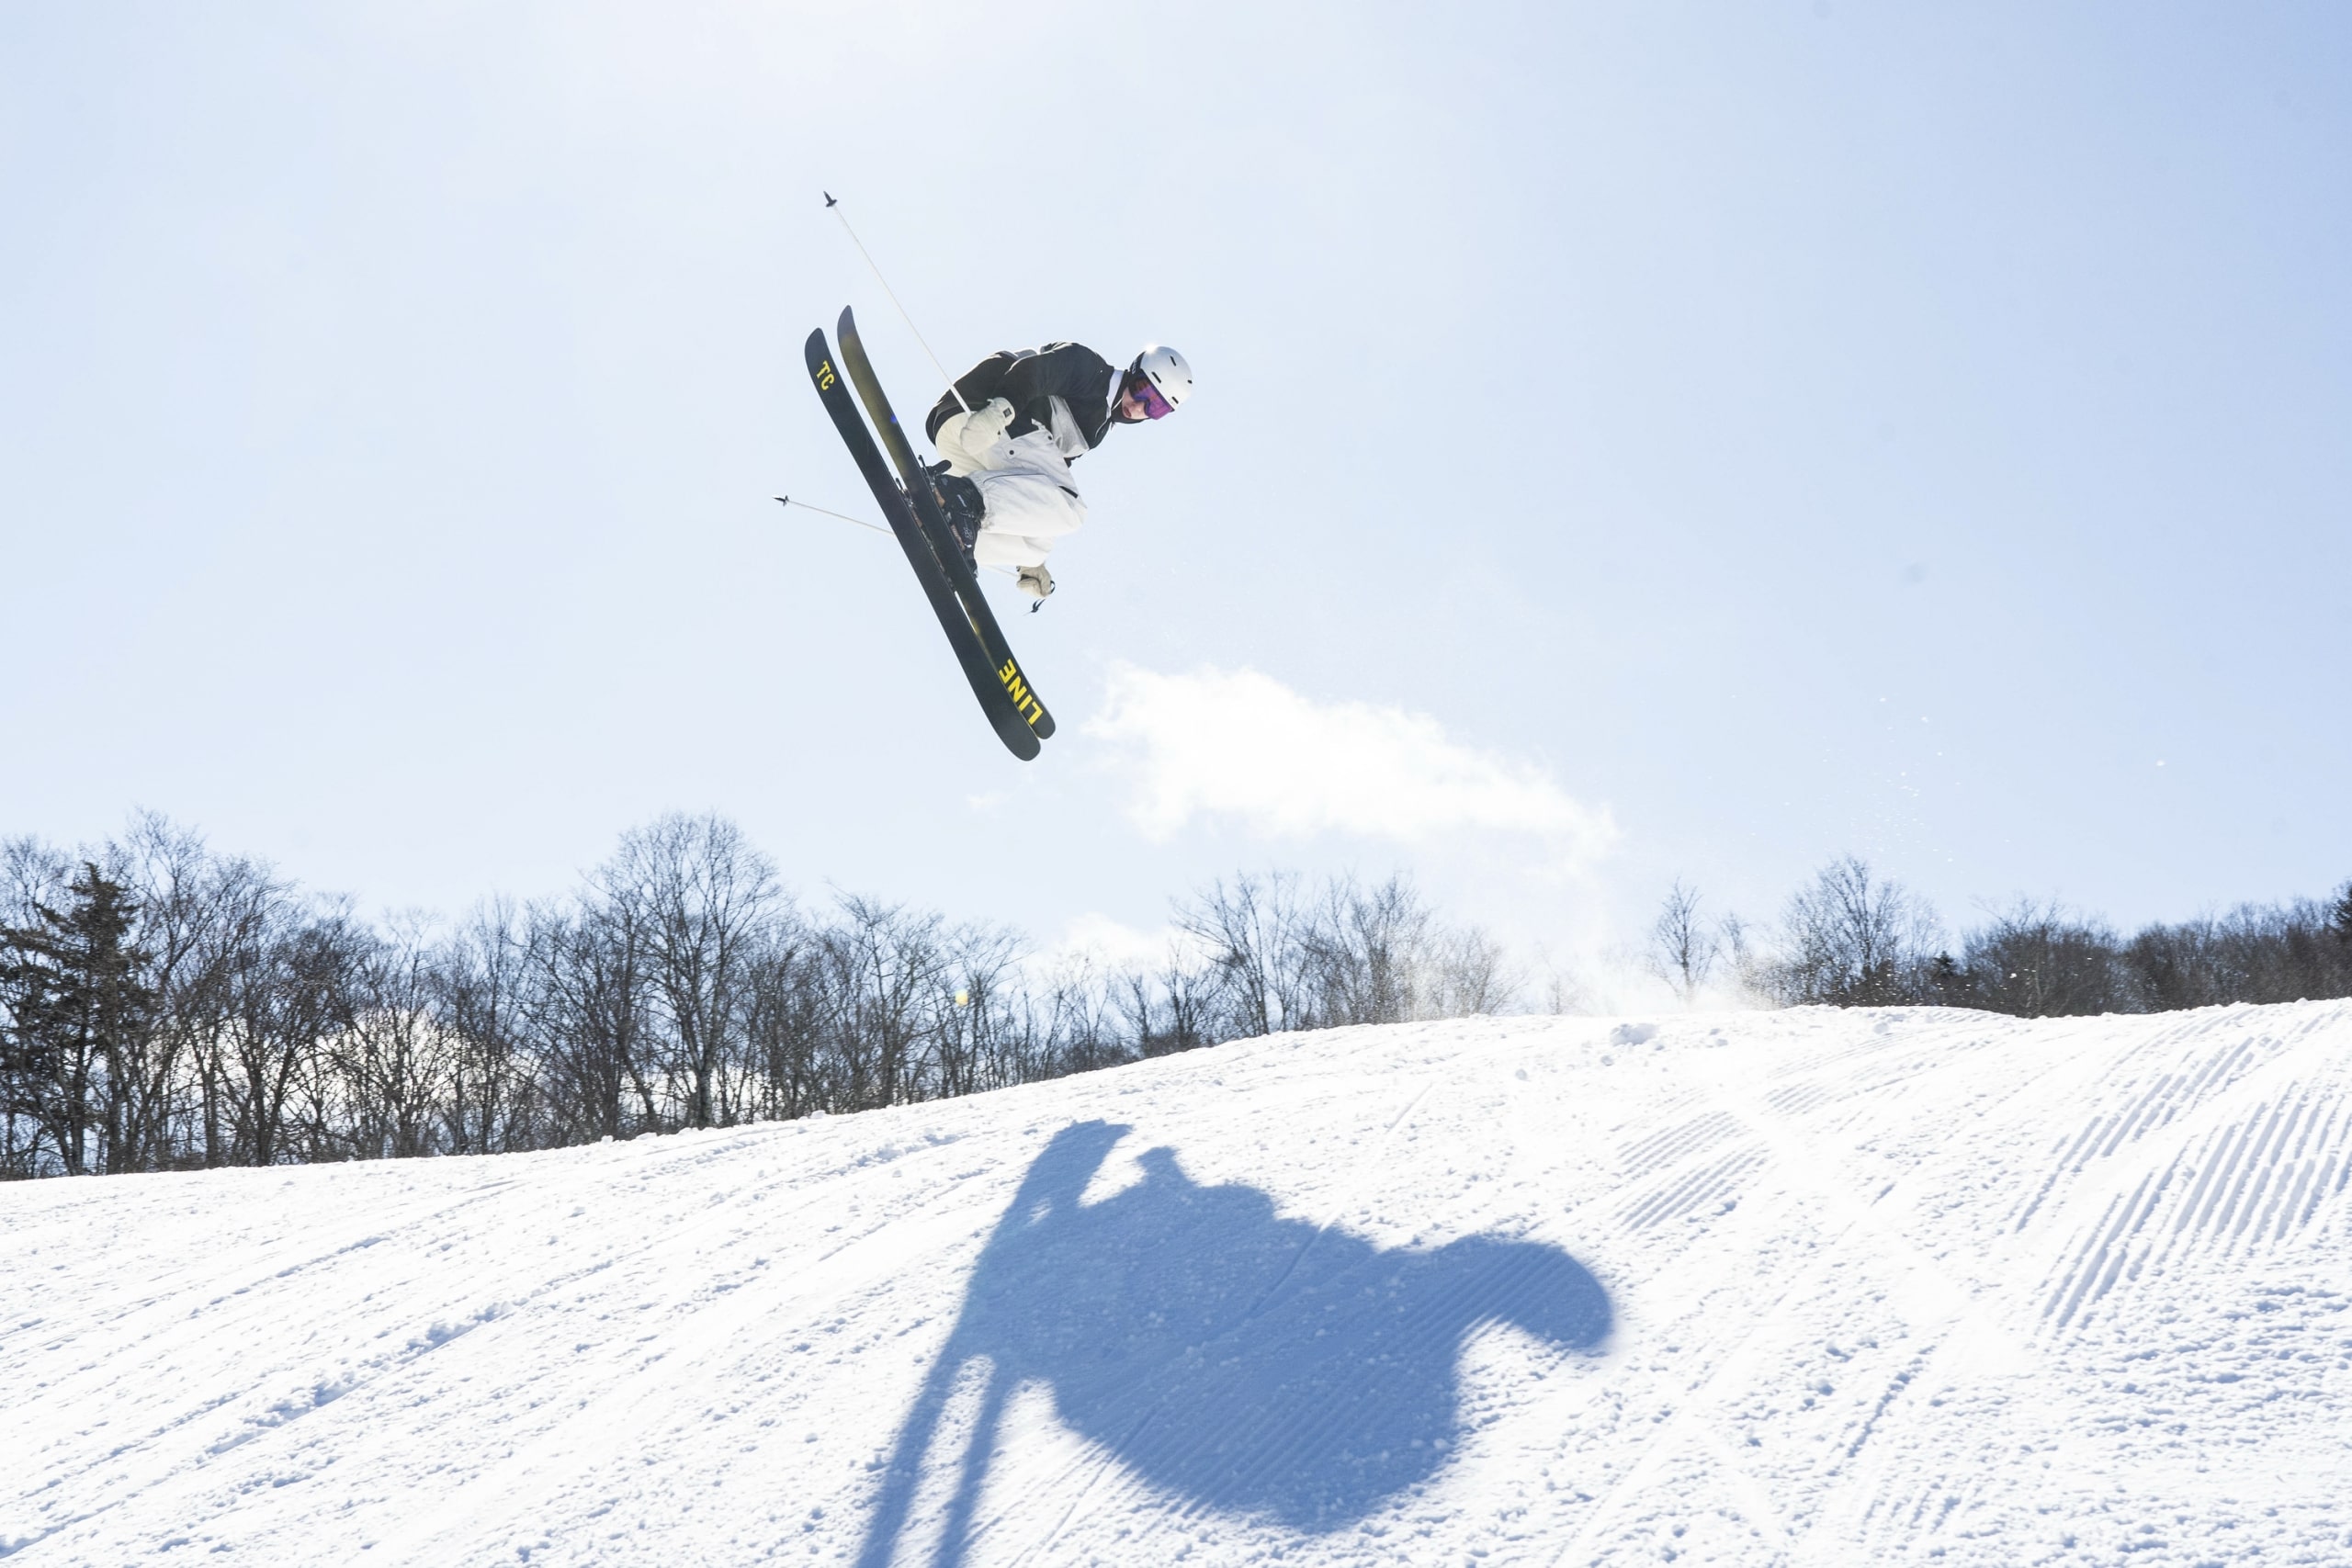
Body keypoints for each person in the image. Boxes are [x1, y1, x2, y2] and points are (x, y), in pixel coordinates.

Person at [923, 342, 1192, 600]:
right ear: (1133, 371)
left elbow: (1038, 488)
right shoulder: (1092, 371)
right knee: (1071, 509)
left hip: (969, 441)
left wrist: (1030, 563)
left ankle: (941, 535)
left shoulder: (1097, 428)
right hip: (984, 412)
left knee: (1038, 544)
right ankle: (962, 498)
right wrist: (999, 411)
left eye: (1155, 407)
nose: (1138, 407)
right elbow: (1035, 371)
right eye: (1141, 389)